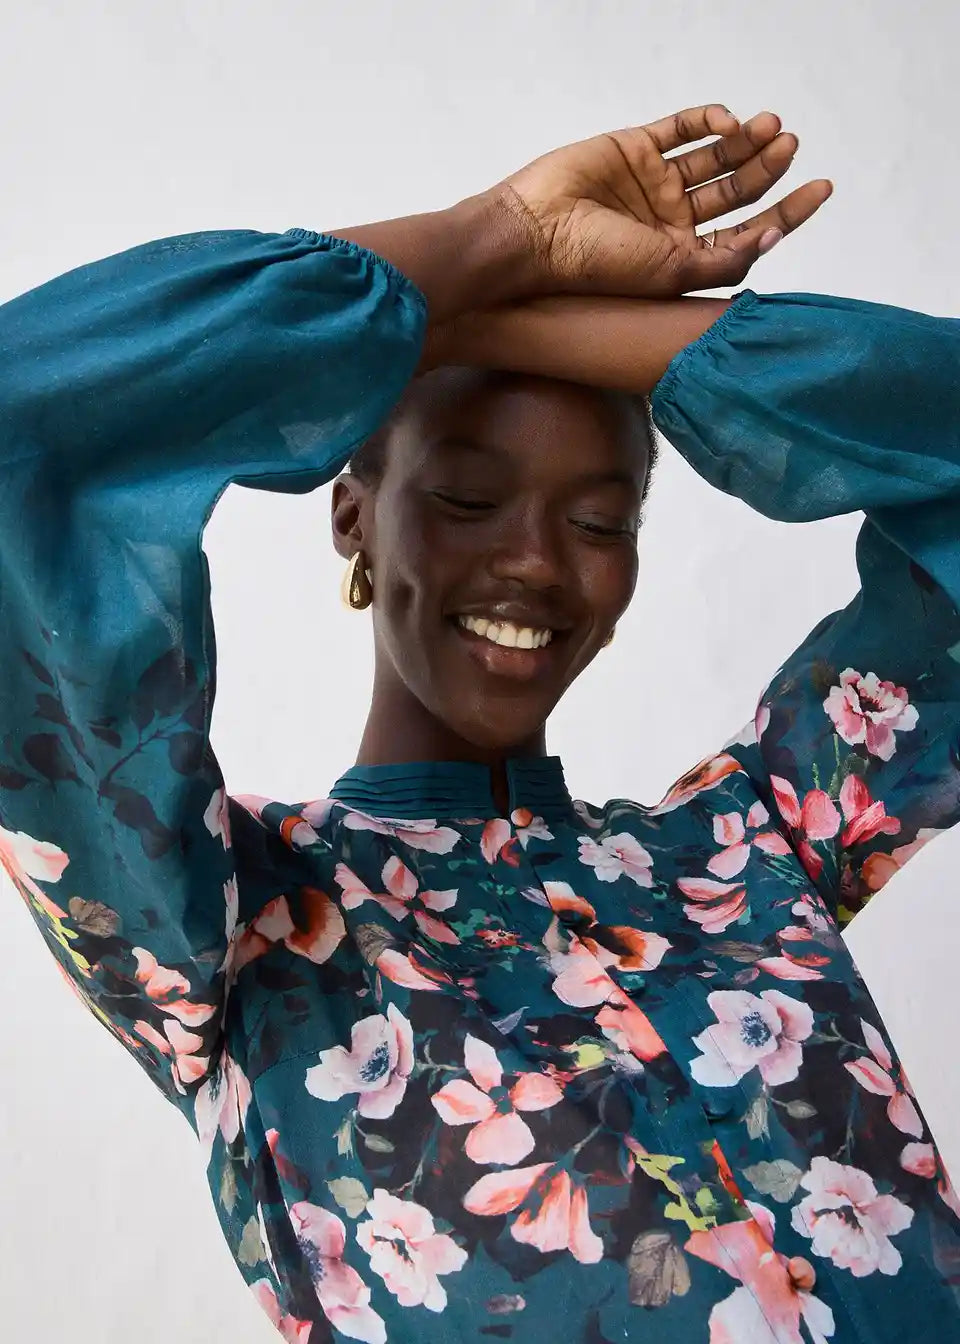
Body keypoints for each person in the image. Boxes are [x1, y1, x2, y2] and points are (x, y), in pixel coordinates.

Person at [1, 102, 958, 1343]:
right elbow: (24, 426)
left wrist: (548, 325)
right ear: (353, 514)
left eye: (600, 520)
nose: (539, 564)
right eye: (465, 498)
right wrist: (493, 242)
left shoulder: (758, 845)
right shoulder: (220, 926)